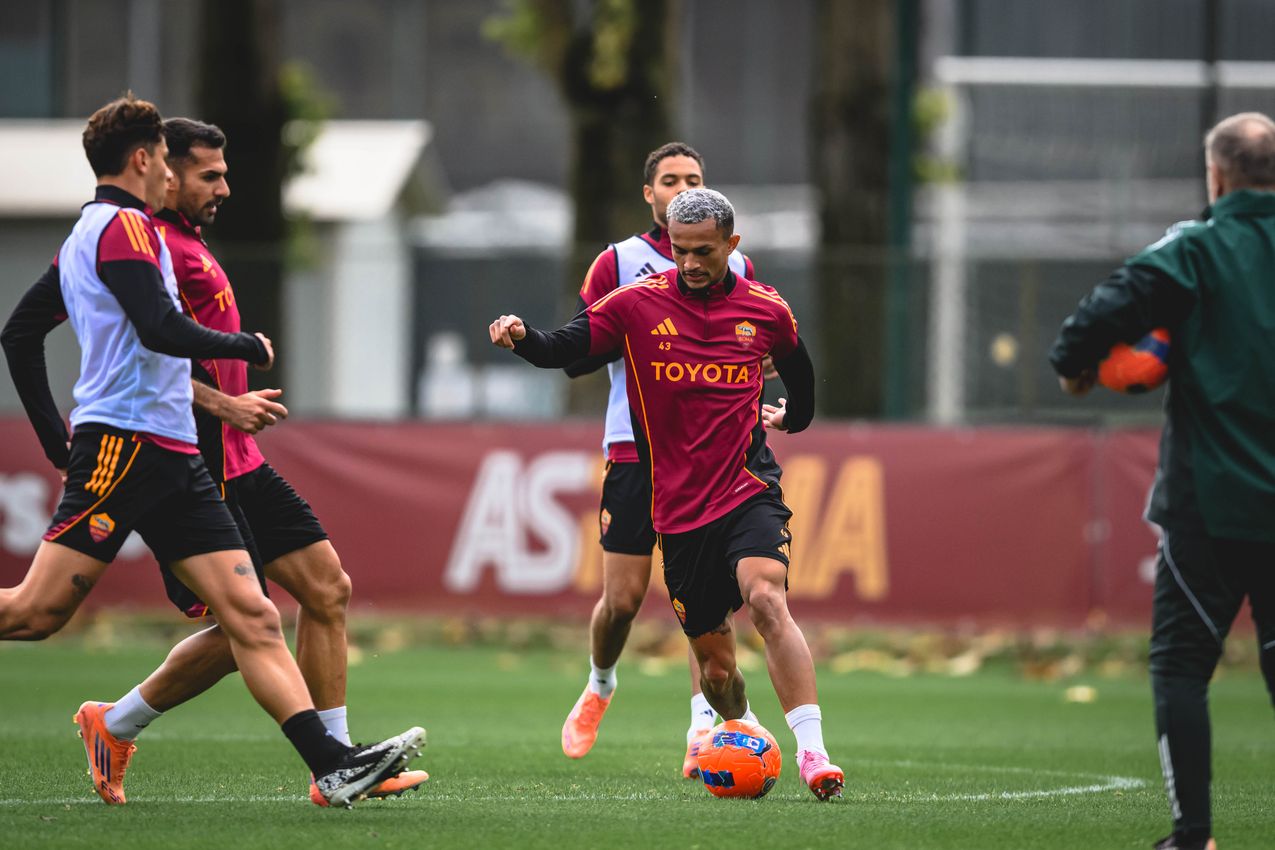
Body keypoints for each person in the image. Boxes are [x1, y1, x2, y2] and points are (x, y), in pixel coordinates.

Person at [0, 95, 423, 808]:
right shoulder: (126, 228)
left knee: (254, 617)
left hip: (168, 452)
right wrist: (243, 348)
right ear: (142, 159)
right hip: (126, 446)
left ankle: (333, 765)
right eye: (166, 161)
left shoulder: (93, 231)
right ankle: (321, 757)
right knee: (34, 615)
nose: (171, 175)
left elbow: (20, 333)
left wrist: (54, 439)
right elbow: (160, 327)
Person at [489, 188, 844, 800]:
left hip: (746, 488)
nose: (689, 263)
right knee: (717, 670)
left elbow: (803, 374)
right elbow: (566, 348)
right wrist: (523, 338)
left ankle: (814, 753)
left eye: (704, 251)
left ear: (733, 245)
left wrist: (795, 420)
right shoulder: (634, 305)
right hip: (677, 513)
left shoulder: (765, 309)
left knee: (766, 596)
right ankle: (739, 724)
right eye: (680, 251)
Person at [1050, 112, 1275, 850]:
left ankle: (1194, 838)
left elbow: (1089, 323)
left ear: (1215, 177)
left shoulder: (1195, 248)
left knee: (1180, 670)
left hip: (1206, 504)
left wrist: (1078, 365)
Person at [560, 142, 758, 778]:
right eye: (669, 180)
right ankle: (600, 683)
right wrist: (636, 327)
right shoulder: (618, 262)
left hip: (708, 456)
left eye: (693, 178)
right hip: (633, 448)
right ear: (649, 193)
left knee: (702, 600)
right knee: (622, 600)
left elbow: (756, 340)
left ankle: (703, 728)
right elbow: (579, 348)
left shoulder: (736, 262)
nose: (680, 188)